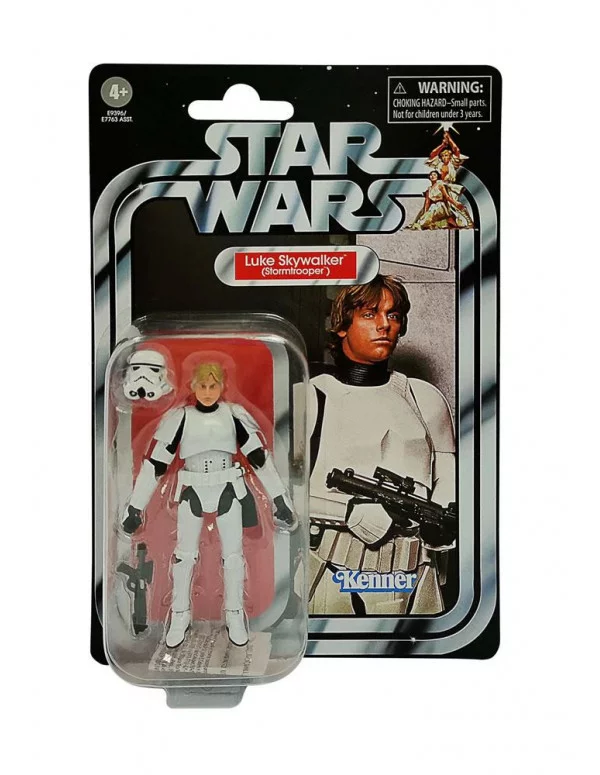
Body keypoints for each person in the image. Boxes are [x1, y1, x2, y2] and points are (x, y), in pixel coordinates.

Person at [308, 275, 456, 615]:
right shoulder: (313, 396)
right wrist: (347, 512)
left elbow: (447, 483)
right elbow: (275, 494)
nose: (384, 325)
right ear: (342, 325)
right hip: (335, 567)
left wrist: (443, 527)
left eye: (393, 315)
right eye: (369, 314)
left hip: (415, 572)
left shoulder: (424, 398)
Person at [122, 361, 294, 648]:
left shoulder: (234, 415)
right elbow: (155, 464)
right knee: (184, 557)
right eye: (202, 386)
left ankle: (234, 614)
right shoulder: (181, 418)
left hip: (228, 490)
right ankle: (179, 614)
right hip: (192, 492)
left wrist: (279, 499)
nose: (207, 391)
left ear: (221, 386)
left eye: (213, 386)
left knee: (234, 557)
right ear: (193, 387)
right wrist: (135, 507)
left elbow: (259, 459)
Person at [408, 169, 474, 230]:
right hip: (433, 207)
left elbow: (447, 196)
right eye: (431, 175)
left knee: (458, 207)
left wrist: (455, 203)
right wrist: (424, 213)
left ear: (437, 176)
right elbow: (427, 202)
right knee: (423, 221)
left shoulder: (440, 185)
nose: (432, 176)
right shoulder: (429, 189)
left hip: (441, 206)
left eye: (434, 175)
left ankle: (470, 222)